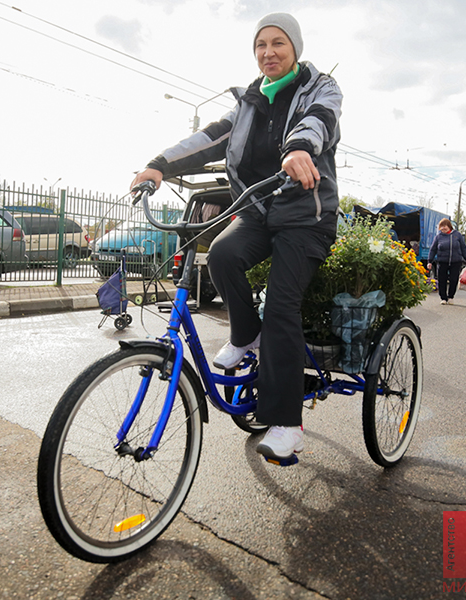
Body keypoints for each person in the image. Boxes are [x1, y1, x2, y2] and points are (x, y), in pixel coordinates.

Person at [130, 12, 342, 462]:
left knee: (283, 306)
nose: (269, 52)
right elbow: (207, 138)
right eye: (261, 44)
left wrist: (299, 148)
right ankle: (247, 336)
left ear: (295, 48)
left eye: (278, 43)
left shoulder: (319, 87)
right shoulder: (247, 102)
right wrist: (158, 166)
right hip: (261, 210)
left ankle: (286, 424)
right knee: (222, 254)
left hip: (306, 216)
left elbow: (319, 121)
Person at [427, 218, 466, 305]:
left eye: (444, 226)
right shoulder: (438, 237)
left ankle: (451, 297)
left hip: (456, 261)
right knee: (442, 280)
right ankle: (443, 298)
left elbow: (463, 247)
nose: (443, 228)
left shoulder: (457, 235)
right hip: (442, 261)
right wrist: (429, 261)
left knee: (454, 279)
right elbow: (433, 249)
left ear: (449, 226)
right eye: (441, 227)